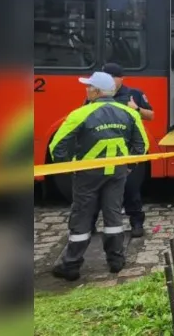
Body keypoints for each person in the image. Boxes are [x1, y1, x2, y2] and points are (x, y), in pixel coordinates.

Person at [49, 71, 149, 281]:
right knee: (113, 216)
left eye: (89, 86)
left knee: (82, 216)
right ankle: (116, 260)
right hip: (117, 173)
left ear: (96, 91)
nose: (86, 89)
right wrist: (130, 165)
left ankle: (71, 265)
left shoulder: (80, 114)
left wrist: (67, 167)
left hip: (87, 175)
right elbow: (142, 145)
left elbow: (57, 146)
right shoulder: (129, 114)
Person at [86, 63, 154, 238]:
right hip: (101, 153)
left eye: (112, 77)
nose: (108, 80)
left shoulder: (134, 94)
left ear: (121, 79)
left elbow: (151, 116)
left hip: (127, 153)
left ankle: (137, 223)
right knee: (95, 190)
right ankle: (89, 224)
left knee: (131, 190)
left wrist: (137, 109)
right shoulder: (95, 95)